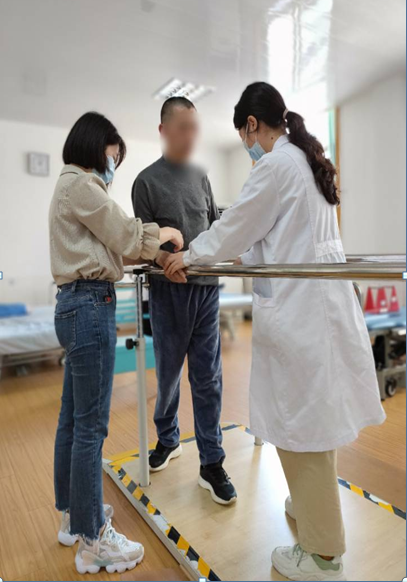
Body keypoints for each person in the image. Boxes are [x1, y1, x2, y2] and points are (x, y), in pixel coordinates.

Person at [164, 82, 386, 581]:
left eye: (244, 136)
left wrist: (190, 256)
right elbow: (277, 233)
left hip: (302, 311)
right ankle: (309, 507)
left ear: (251, 125)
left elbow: (235, 226)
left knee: (301, 425)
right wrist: (242, 254)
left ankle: (323, 555)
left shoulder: (276, 166)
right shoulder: (303, 159)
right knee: (314, 419)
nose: (247, 145)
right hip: (318, 304)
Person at [49, 111, 183, 575]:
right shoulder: (83, 185)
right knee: (91, 427)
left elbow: (112, 247)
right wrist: (163, 235)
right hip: (90, 306)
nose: (113, 168)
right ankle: (94, 541)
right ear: (94, 146)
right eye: (113, 157)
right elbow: (125, 233)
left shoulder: (68, 187)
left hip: (73, 305)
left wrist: (145, 249)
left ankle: (74, 516)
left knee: (72, 420)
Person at [132, 96, 237, 505]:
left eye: (195, 128)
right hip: (169, 295)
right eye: (182, 128)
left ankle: (212, 461)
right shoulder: (146, 182)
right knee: (169, 375)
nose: (191, 136)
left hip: (206, 290)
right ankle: (168, 438)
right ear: (163, 131)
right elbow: (143, 243)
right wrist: (163, 260)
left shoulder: (201, 177)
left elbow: (214, 227)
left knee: (208, 378)